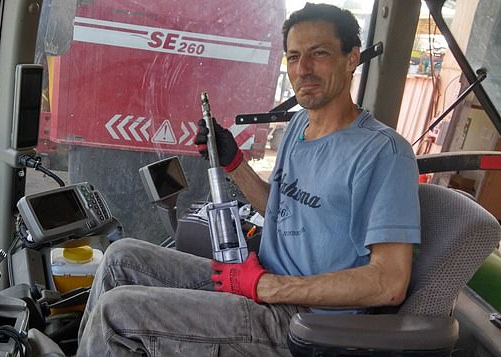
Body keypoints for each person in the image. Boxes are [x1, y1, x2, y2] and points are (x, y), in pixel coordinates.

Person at [76, 3, 421, 355]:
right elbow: (282, 210)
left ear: (351, 59)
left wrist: (267, 287)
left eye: (319, 54)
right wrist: (233, 162)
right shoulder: (300, 126)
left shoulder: (384, 154)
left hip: (308, 324)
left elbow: (389, 282)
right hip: (260, 283)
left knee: (117, 313)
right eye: (293, 57)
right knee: (120, 258)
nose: (303, 69)